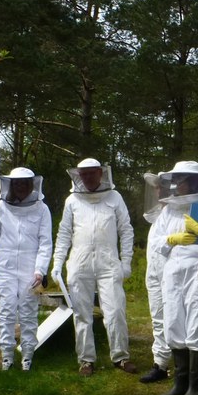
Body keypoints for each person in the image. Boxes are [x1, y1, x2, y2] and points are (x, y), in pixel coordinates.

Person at [52, 158, 135, 377]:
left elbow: (126, 230)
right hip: (79, 262)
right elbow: (63, 234)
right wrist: (57, 262)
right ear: (78, 176)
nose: (87, 178)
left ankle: (121, 356)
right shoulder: (72, 200)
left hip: (109, 262)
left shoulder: (115, 197)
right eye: (83, 174)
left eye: (91, 173)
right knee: (81, 313)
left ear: (100, 173)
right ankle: (86, 360)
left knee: (115, 310)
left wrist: (126, 262)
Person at [152, 161, 198, 395]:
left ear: (195, 181)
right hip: (172, 269)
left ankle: (196, 386)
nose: (178, 185)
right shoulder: (168, 210)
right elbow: (156, 242)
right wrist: (172, 239)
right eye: (176, 180)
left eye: (183, 180)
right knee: (173, 319)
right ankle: (180, 383)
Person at [0, 167, 53, 371]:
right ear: (10, 185)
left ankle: (27, 356)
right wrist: (2, 256)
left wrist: (40, 270)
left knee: (28, 312)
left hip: (30, 267)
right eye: (16, 183)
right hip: (6, 266)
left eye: (24, 183)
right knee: (6, 311)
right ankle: (7, 357)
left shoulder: (42, 209)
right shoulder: (1, 206)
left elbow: (45, 242)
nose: (20, 187)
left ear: (31, 185)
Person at [139, 172, 173, 383]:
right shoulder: (156, 217)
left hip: (173, 275)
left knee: (177, 320)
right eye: (157, 187)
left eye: (163, 186)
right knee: (158, 318)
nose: (159, 191)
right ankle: (160, 364)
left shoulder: (178, 212)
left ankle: (185, 366)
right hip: (154, 275)